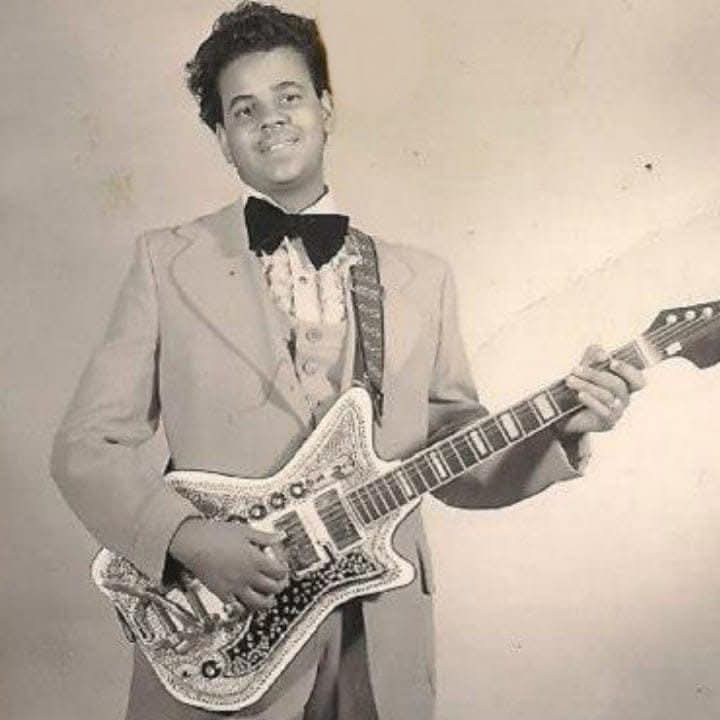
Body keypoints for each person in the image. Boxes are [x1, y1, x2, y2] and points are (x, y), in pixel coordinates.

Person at [50, 3, 645, 719]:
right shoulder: (165, 262)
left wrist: (562, 427)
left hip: (378, 640)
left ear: (326, 109)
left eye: (290, 96)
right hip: (227, 636)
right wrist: (188, 539)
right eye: (244, 110)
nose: (271, 120)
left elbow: (454, 456)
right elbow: (87, 445)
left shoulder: (422, 279)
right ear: (222, 140)